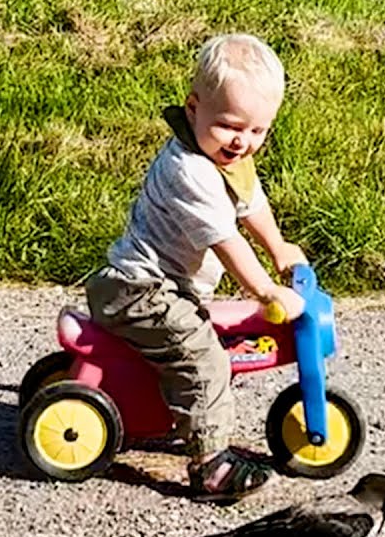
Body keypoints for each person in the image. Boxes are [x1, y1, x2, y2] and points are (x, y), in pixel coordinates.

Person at [85, 33, 308, 502]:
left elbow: (251, 204)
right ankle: (210, 465)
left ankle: (163, 410)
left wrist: (279, 245)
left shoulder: (227, 160)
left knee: (200, 336)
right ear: (193, 108)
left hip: (161, 286)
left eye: (257, 131)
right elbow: (227, 242)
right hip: (140, 289)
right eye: (230, 126)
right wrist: (266, 290)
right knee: (205, 357)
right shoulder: (191, 171)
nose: (242, 142)